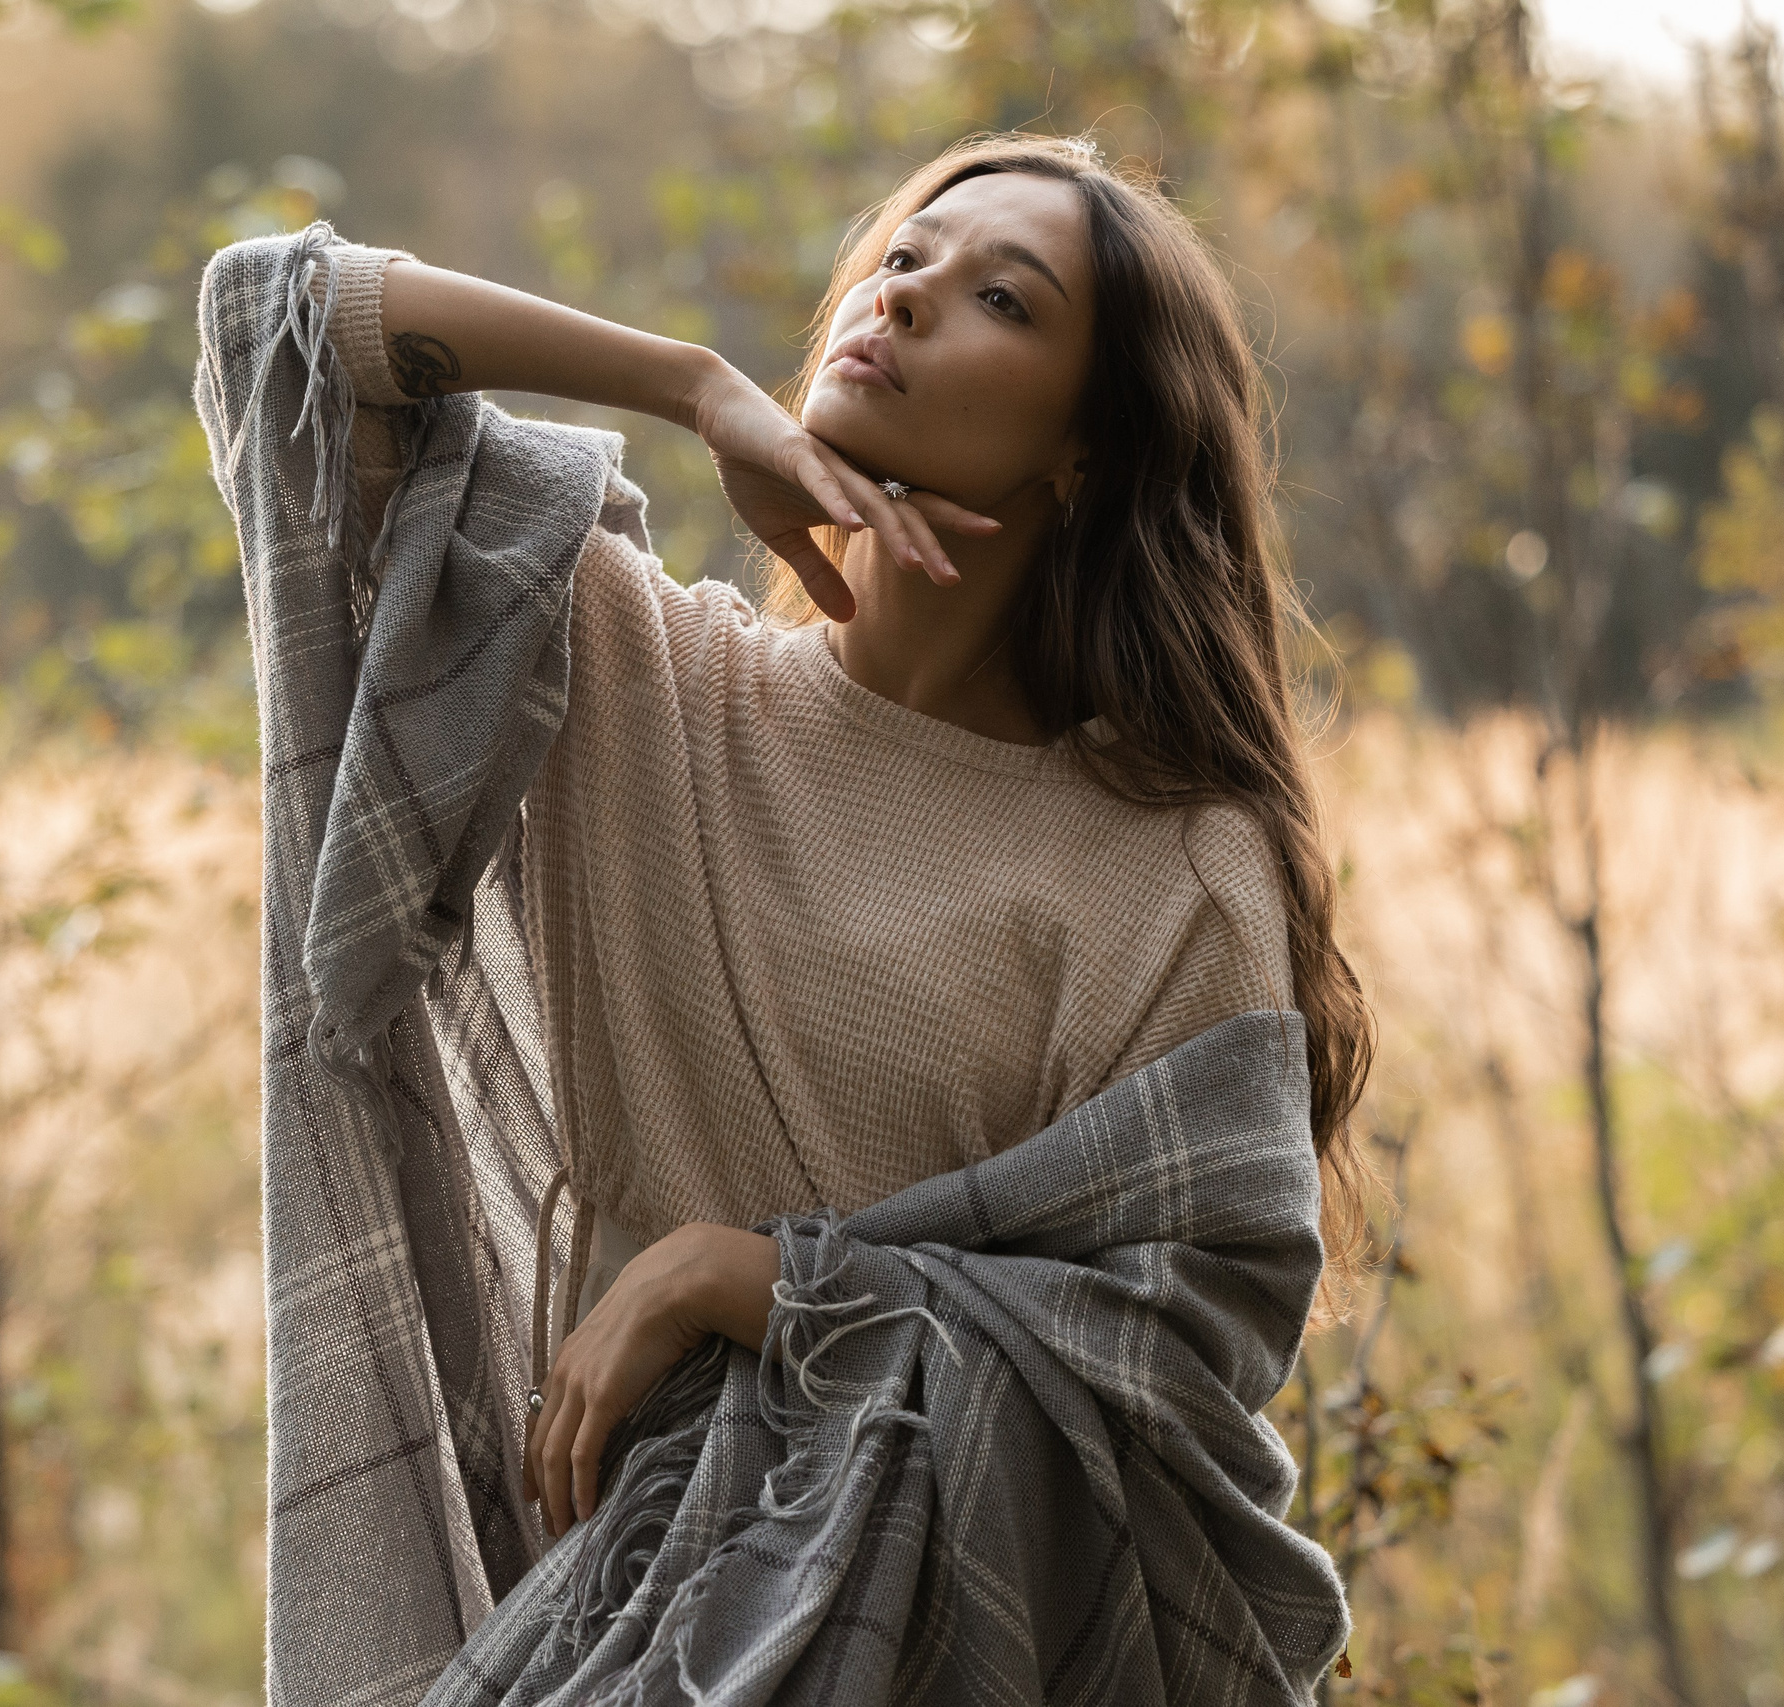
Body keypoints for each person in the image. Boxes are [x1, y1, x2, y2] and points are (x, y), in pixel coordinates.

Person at [198, 128, 1373, 1706]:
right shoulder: (639, 679)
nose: (902, 302)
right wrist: (690, 385)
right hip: (626, 1628)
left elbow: (1170, 1365)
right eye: (901, 261)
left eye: (1001, 300)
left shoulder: (1169, 860)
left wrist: (735, 1276)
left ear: (1086, 449)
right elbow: (276, 319)